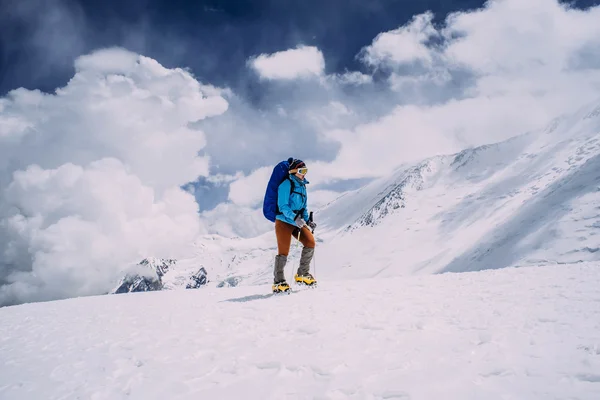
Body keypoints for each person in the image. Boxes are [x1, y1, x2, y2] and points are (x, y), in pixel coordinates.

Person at [272, 159, 317, 293]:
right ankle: (279, 282)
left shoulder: (303, 186)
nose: (304, 174)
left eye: (306, 171)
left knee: (310, 242)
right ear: (294, 171)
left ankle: (302, 274)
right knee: (283, 252)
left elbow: (303, 208)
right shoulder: (286, 184)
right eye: (302, 171)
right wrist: (295, 218)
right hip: (284, 221)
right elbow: (283, 206)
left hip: (297, 222)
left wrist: (308, 221)